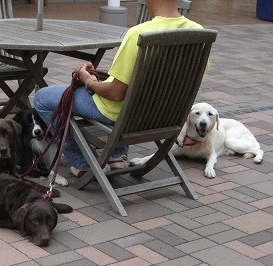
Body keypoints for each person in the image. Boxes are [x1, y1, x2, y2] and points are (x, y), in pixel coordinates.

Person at [33, 0, 206, 178]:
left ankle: (84, 161)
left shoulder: (138, 34)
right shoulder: (199, 33)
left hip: (124, 114)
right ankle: (116, 155)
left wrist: (89, 81)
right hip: (164, 116)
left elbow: (116, 93)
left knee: (42, 98)